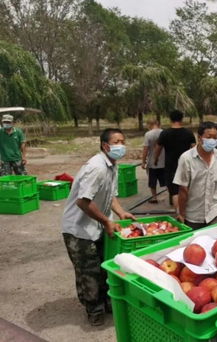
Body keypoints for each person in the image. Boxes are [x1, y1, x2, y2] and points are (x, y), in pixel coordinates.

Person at [61, 128, 135, 326]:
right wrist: (106, 221)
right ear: (105, 145)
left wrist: (120, 213)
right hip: (79, 229)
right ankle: (94, 309)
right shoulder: (97, 167)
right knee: (88, 271)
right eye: (117, 142)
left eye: (123, 141)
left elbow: (110, 196)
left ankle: (106, 302)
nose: (122, 146)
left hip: (98, 225)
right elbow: (83, 202)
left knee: (104, 266)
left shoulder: (112, 165)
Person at [154, 110, 196, 210]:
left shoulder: (165, 133)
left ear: (170, 119)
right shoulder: (188, 133)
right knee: (185, 188)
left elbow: (158, 149)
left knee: (174, 192)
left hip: (170, 166)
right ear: (182, 119)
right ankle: (186, 211)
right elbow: (194, 149)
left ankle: (178, 213)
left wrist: (155, 159)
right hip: (186, 164)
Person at [141, 119, 166, 203]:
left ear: (149, 124)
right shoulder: (164, 133)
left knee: (152, 182)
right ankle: (172, 197)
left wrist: (143, 161)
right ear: (158, 124)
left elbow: (145, 149)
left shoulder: (148, 134)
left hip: (152, 163)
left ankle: (154, 198)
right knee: (167, 181)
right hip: (164, 162)